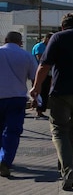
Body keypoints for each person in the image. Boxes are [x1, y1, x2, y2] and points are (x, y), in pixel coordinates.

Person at [30, 13, 73, 191]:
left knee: (59, 130)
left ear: (63, 26)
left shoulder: (57, 38)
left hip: (61, 92)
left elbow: (44, 66)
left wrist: (36, 87)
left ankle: (68, 168)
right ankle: (65, 166)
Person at [0, 32, 38, 178]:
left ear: (5, 40)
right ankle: (6, 161)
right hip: (17, 98)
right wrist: (36, 97)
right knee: (12, 132)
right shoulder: (26, 56)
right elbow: (35, 78)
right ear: (20, 42)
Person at [31, 33, 52, 117]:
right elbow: (40, 59)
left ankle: (41, 108)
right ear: (46, 38)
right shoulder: (40, 46)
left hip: (47, 72)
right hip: (39, 72)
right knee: (39, 90)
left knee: (45, 91)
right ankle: (38, 109)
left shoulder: (49, 46)